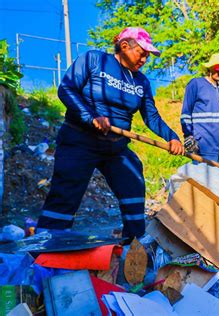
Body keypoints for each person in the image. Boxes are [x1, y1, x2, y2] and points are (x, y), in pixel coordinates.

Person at [36, 27, 184, 241]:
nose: (145, 59)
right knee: (65, 194)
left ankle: (133, 246)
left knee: (133, 182)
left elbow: (151, 116)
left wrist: (172, 137)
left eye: (147, 56)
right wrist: (91, 116)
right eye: (141, 53)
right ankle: (45, 248)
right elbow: (66, 89)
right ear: (124, 46)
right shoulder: (94, 60)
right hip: (79, 140)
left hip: (115, 147)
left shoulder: (141, 82)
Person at [180, 53, 219, 162]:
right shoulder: (196, 84)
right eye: (218, 69)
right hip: (202, 146)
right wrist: (188, 135)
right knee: (203, 178)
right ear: (210, 67)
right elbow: (186, 113)